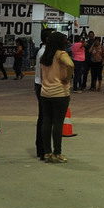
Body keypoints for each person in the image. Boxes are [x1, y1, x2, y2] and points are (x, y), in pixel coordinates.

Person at [39, 31, 74, 163]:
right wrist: (68, 77)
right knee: (58, 123)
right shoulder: (61, 54)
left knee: (47, 122)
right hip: (59, 93)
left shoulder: (45, 55)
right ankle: (57, 153)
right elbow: (70, 64)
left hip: (45, 92)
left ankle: (47, 152)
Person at [33, 28, 52, 161]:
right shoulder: (44, 52)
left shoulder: (44, 51)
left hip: (42, 85)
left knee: (45, 119)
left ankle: (43, 148)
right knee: (44, 119)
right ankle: (42, 149)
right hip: (44, 86)